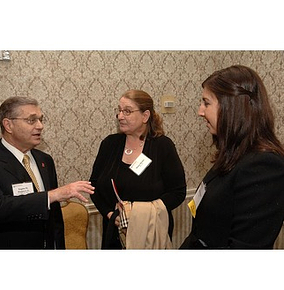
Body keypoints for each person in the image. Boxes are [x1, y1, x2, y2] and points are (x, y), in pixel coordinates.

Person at [180, 65, 284, 249]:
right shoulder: (233, 154)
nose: (200, 111)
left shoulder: (264, 166)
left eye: (206, 103)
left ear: (232, 106)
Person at [0, 96, 95, 249]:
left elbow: (55, 218)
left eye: (41, 119)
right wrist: (51, 195)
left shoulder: (45, 160)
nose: (40, 126)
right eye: (31, 120)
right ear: (8, 125)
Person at [90, 89, 186, 249]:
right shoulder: (109, 144)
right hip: (114, 233)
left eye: (127, 111)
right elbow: (94, 185)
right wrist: (110, 214)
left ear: (145, 116)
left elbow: (178, 192)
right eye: (119, 111)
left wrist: (143, 214)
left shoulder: (162, 146)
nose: (120, 116)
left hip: (151, 233)